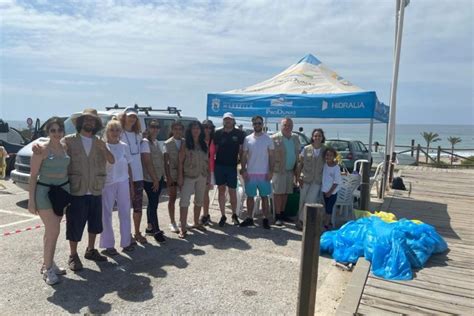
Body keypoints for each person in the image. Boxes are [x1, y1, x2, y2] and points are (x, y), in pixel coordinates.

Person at [64, 108, 114, 270]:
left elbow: (112, 160)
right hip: (77, 190)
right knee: (75, 225)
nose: (89, 122)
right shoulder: (69, 141)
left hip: (95, 189)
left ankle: (91, 250)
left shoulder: (100, 142)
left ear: (96, 124)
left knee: (95, 224)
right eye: (86, 120)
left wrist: (104, 148)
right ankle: (73, 255)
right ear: (80, 122)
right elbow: (57, 153)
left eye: (93, 120)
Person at [28, 117, 69, 285]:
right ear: (48, 132)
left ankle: (49, 261)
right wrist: (31, 201)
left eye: (59, 130)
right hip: (44, 193)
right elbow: (32, 176)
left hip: (62, 193)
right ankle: (47, 270)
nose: (56, 133)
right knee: (54, 230)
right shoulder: (41, 150)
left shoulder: (65, 146)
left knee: (51, 232)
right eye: (53, 130)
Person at [99, 119, 135, 256]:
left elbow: (129, 166)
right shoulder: (102, 146)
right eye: (112, 130)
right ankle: (108, 245)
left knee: (125, 212)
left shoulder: (124, 146)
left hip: (123, 182)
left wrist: (131, 185)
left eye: (117, 130)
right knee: (106, 214)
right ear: (107, 131)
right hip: (107, 184)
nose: (115, 133)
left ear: (121, 132)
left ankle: (126, 242)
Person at [239, 116, 274, 229]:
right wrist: (243, 170)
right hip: (251, 173)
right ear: (252, 124)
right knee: (250, 197)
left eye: (259, 123)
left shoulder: (268, 139)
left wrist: (271, 171)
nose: (257, 125)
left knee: (264, 197)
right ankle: (249, 218)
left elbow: (272, 156)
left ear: (262, 124)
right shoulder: (247, 139)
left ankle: (265, 219)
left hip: (264, 173)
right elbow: (244, 156)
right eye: (255, 123)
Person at [177, 121, 209, 238]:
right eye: (193, 128)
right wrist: (180, 177)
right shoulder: (185, 143)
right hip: (188, 175)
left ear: (201, 130)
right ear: (190, 130)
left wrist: (208, 176)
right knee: (184, 201)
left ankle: (196, 222)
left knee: (199, 200)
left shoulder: (204, 143)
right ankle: (183, 227)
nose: (196, 130)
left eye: (198, 128)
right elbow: (180, 161)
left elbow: (207, 161)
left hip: (202, 175)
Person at [119, 106, 146, 244]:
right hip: (125, 176)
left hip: (138, 175)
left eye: (134, 117)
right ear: (124, 117)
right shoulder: (119, 133)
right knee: (125, 208)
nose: (132, 119)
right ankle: (127, 234)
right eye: (130, 116)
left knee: (138, 207)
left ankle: (137, 232)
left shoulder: (138, 135)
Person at [213, 112, 245, 227]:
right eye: (226, 119)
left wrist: (243, 166)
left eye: (230, 119)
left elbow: (241, 152)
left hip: (232, 167)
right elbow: (214, 150)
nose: (228, 121)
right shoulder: (217, 133)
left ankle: (234, 215)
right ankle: (223, 215)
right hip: (219, 166)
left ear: (233, 121)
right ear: (223, 121)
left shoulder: (240, 134)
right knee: (221, 191)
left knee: (232, 192)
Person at [271, 117, 300, 226]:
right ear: (281, 126)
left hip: (290, 170)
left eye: (289, 125)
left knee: (286, 193)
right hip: (279, 171)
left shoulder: (295, 138)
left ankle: (283, 214)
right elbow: (270, 156)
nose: (287, 127)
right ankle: (277, 216)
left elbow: (298, 154)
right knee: (278, 193)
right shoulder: (274, 138)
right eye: (285, 125)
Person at [141, 119, 166, 243]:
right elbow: (147, 162)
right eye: (152, 126)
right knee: (153, 204)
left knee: (152, 203)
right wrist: (155, 179)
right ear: (148, 128)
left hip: (158, 177)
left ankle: (150, 227)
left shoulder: (155, 142)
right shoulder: (145, 142)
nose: (155, 129)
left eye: (157, 127)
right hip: (150, 179)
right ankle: (156, 231)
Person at [296, 128, 326, 229]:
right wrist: (298, 177)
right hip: (305, 178)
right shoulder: (306, 148)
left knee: (310, 200)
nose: (317, 138)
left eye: (319, 136)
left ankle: (302, 220)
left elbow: (330, 163)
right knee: (302, 200)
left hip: (317, 180)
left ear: (322, 138)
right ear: (312, 137)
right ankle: (300, 220)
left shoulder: (325, 149)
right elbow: (300, 163)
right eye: (315, 136)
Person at [163, 120, 185, 233]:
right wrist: (168, 177)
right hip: (171, 173)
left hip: (184, 173)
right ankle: (172, 222)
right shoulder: (167, 143)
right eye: (175, 129)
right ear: (172, 130)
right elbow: (165, 162)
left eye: (180, 129)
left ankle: (182, 220)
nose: (177, 131)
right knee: (172, 198)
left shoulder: (185, 142)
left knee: (184, 198)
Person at [200, 119, 216, 226]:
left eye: (210, 127)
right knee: (201, 193)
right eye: (205, 127)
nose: (208, 129)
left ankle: (205, 214)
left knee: (205, 193)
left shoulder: (214, 140)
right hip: (199, 169)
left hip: (210, 169)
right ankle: (204, 214)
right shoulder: (198, 139)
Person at [321, 147, 342, 229]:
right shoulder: (325, 165)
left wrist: (330, 192)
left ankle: (326, 224)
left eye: (330, 155)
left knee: (329, 208)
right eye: (327, 155)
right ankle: (327, 221)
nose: (328, 157)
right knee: (325, 207)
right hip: (324, 190)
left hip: (332, 192)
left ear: (334, 156)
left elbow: (336, 182)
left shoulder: (336, 168)